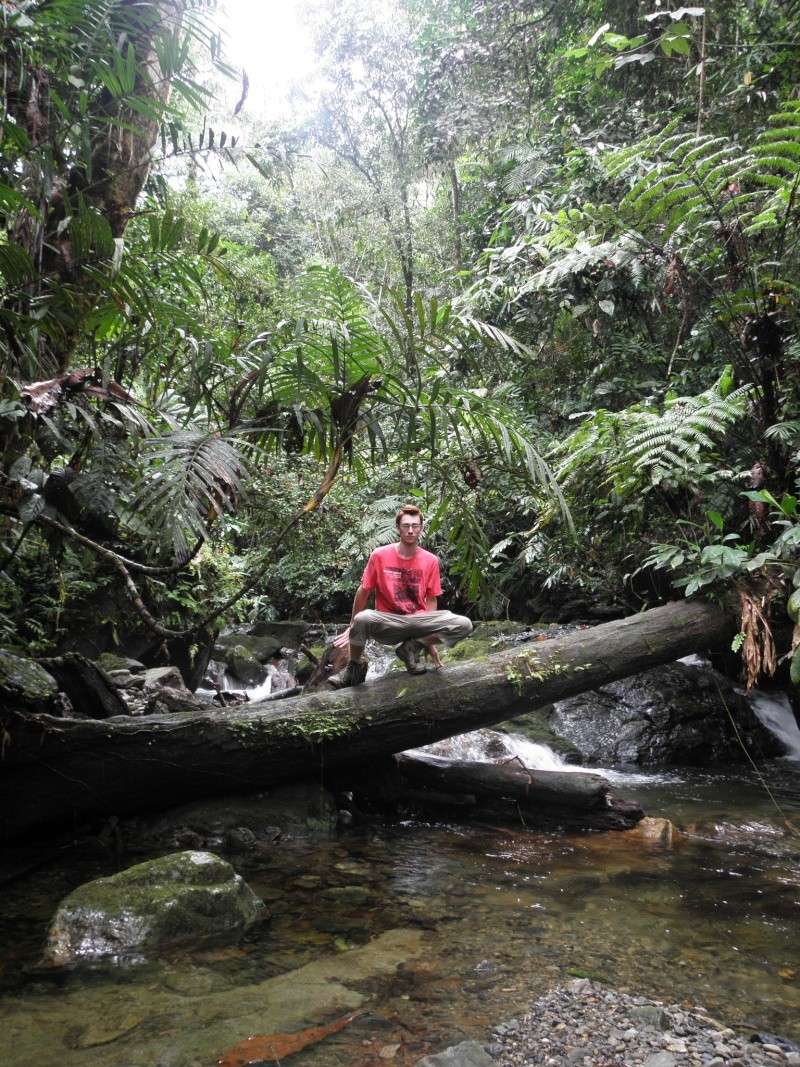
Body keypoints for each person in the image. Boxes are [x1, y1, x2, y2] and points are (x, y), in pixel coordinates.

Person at [328, 503, 473, 688]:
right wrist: (352, 626)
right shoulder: (379, 555)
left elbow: (431, 599)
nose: (411, 530)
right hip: (389, 622)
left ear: (421, 528)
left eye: (415, 526)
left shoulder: (431, 560)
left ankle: (411, 648)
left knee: (464, 624)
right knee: (362, 618)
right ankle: (353, 671)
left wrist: (429, 643)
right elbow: (363, 590)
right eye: (406, 526)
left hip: (418, 622)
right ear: (398, 528)